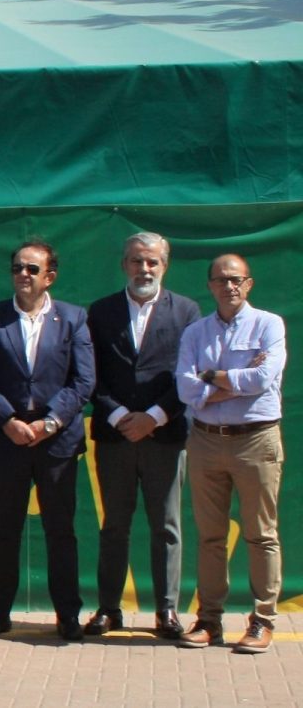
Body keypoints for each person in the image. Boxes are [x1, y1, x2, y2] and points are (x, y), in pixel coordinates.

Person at [0, 240, 95, 641]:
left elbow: (83, 380)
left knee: (61, 531)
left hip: (56, 443)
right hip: (5, 440)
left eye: (32, 269)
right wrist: (7, 419)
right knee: (4, 530)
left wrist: (50, 422)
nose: (23, 274)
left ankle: (67, 616)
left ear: (49, 277)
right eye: (17, 268)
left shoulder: (73, 318)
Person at [85, 233, 200, 640]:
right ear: (124, 265)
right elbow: (89, 374)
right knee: (114, 526)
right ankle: (108, 608)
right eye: (136, 261)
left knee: (166, 527)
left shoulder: (187, 311)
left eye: (152, 262)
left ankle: (166, 611)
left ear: (164, 266)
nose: (144, 269)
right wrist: (120, 416)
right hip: (115, 436)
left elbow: (189, 376)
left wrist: (153, 417)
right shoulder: (100, 312)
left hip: (165, 436)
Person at [175, 253, 287, 654]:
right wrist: (229, 383)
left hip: (256, 439)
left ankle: (263, 620)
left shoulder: (269, 324)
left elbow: (263, 378)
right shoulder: (196, 332)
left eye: (236, 279)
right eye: (221, 280)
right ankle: (209, 620)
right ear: (210, 286)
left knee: (261, 534)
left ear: (249, 284)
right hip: (205, 440)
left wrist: (209, 379)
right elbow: (185, 388)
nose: (229, 286)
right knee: (210, 536)